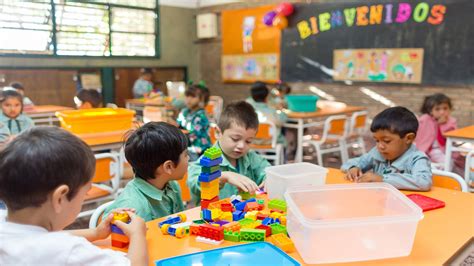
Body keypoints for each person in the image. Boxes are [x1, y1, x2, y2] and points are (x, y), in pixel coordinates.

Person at [0, 127, 148, 265]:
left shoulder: (5, 221)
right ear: (59, 198)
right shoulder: (68, 252)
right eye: (85, 192)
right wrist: (137, 235)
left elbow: (37, 237)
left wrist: (95, 233)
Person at [187, 101, 271, 204]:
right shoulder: (207, 161)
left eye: (248, 141)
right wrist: (223, 176)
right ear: (218, 133)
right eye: (235, 139)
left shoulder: (250, 157)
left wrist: (270, 178)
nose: (241, 146)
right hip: (214, 218)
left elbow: (266, 169)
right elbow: (194, 184)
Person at [104, 122, 188, 222]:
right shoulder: (134, 209)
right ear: (168, 166)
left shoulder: (172, 186)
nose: (188, 159)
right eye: (186, 155)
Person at [341, 106, 432, 191]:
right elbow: (348, 164)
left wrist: (383, 179)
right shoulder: (377, 153)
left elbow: (424, 182)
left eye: (387, 141)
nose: (380, 146)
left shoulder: (417, 158)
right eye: (377, 140)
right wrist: (353, 168)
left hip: (404, 205)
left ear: (408, 138)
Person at [415, 93, 457, 165]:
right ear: (431, 111)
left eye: (445, 108)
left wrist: (442, 125)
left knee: (455, 163)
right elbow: (418, 136)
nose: (442, 112)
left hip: (445, 150)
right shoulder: (425, 119)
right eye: (437, 109)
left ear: (450, 109)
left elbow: (449, 139)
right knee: (446, 163)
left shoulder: (451, 121)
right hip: (428, 149)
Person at [176, 84, 212, 160]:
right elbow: (178, 124)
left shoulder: (201, 115)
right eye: (187, 96)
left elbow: (193, 132)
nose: (188, 99)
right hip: (188, 144)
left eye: (193, 96)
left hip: (199, 147)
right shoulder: (185, 111)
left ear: (202, 99)